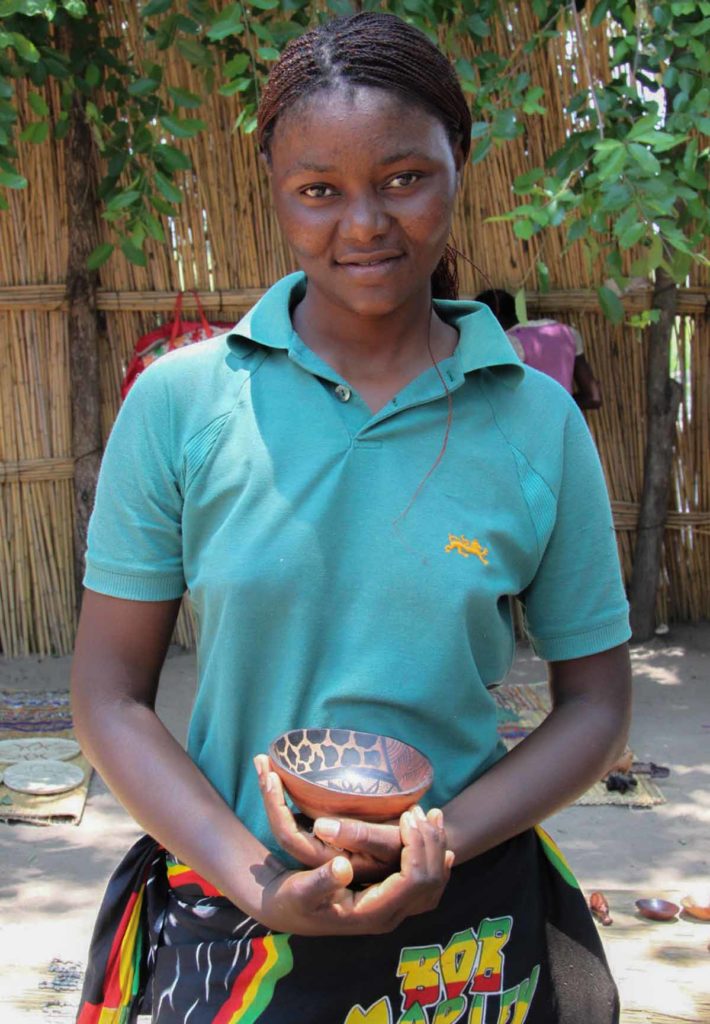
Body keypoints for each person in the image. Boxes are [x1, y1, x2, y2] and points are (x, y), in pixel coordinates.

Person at [72, 13, 631, 1024]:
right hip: (235, 916)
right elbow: (108, 696)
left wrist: (443, 838)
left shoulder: (533, 423)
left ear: (459, 163)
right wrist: (254, 879)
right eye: (318, 191)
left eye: (404, 178)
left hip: (463, 945)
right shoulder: (184, 404)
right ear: (277, 194)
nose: (364, 223)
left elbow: (594, 704)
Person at [476, 288, 603, 409]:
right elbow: (593, 398)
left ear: (490, 317)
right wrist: (559, 405)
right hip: (565, 426)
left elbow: (499, 399)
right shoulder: (568, 333)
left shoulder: (509, 343)